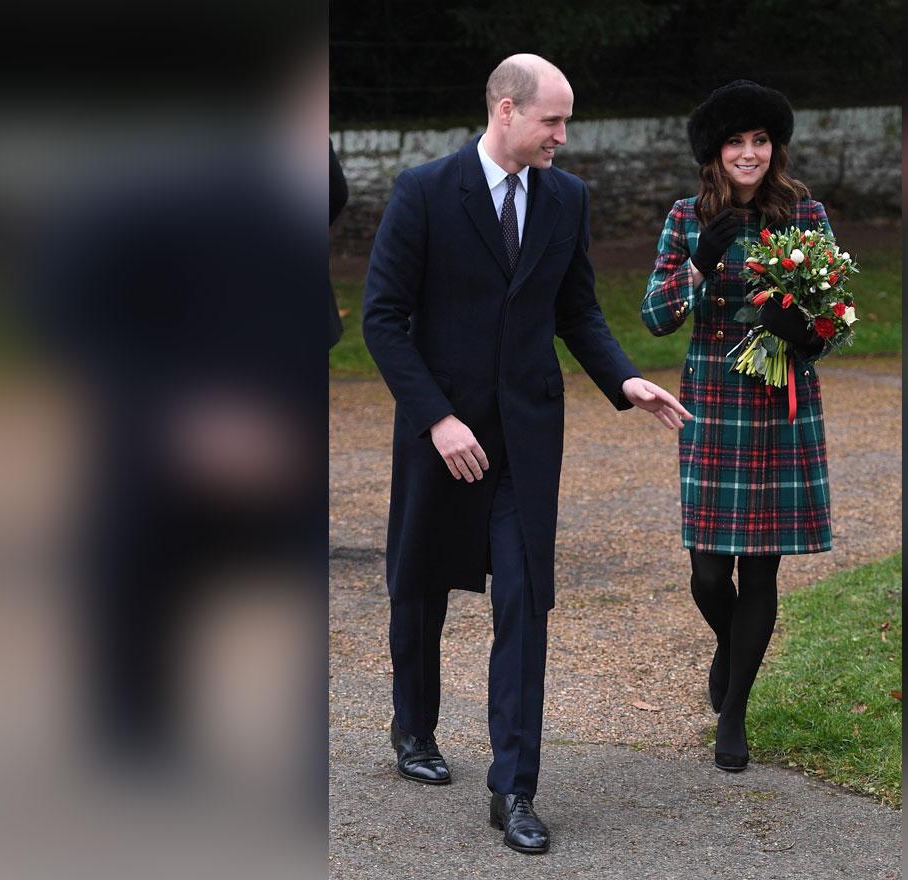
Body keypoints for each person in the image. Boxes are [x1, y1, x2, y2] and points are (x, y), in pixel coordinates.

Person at [361, 53, 690, 855]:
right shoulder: (425, 193)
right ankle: (414, 728)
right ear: (505, 111)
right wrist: (437, 418)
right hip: (441, 436)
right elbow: (383, 319)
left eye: (565, 121)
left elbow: (576, 309)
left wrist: (625, 380)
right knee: (419, 586)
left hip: (526, 442)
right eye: (552, 120)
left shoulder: (567, 198)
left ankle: (513, 788)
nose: (563, 136)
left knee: (523, 602)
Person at [641, 80, 846, 772]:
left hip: (781, 402)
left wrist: (807, 330)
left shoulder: (805, 213)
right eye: (737, 142)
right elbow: (654, 315)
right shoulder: (684, 217)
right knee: (707, 572)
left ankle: (733, 715)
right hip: (715, 407)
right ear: (715, 153)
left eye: (761, 141)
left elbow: (835, 317)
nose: (750, 153)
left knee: (760, 571)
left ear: (774, 149)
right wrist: (699, 264)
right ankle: (730, 646)